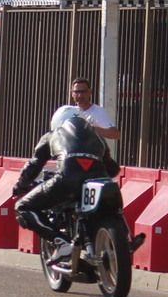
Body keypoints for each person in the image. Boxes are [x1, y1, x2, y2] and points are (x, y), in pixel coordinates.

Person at [12, 105, 120, 263]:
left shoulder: (53, 134)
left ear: (57, 121)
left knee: (22, 207)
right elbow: (113, 169)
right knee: (115, 209)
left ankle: (61, 243)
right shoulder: (97, 137)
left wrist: (20, 186)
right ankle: (126, 238)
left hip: (67, 179)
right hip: (100, 180)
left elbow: (34, 165)